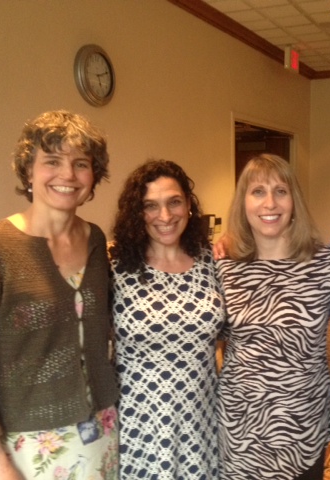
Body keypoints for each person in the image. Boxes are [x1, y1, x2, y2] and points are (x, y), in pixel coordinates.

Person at [0, 110, 119, 480]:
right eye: (51, 161)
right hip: (22, 444)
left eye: (81, 164)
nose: (67, 175)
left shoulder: (96, 241)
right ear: (28, 171)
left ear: (93, 176)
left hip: (100, 432)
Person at [215, 154, 330, 479]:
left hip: (303, 428)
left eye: (280, 191)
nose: (270, 203)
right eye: (257, 191)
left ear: (294, 200)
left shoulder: (325, 263)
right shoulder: (224, 267)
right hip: (239, 430)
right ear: (243, 202)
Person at [108, 159, 225, 479]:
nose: (165, 216)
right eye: (150, 206)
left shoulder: (211, 260)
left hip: (202, 423)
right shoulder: (114, 265)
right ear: (137, 212)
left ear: (188, 204)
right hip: (138, 430)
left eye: (174, 202)